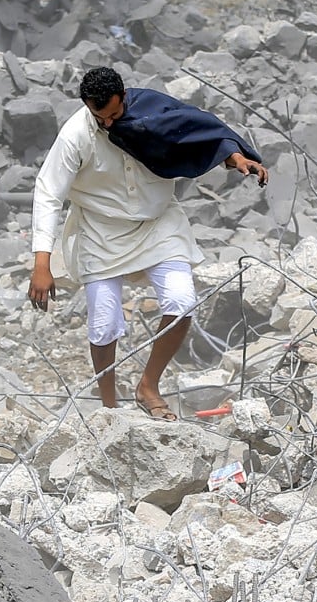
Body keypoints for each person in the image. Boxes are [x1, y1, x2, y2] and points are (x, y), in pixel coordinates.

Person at [27, 66, 268, 420]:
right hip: (100, 230)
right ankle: (110, 407)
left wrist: (235, 157)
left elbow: (196, 131)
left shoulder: (153, 109)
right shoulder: (76, 135)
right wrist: (41, 263)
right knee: (104, 322)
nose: (108, 124)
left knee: (181, 301)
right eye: (99, 117)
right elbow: (48, 194)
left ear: (124, 97)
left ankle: (148, 386)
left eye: (113, 114)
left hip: (158, 223)